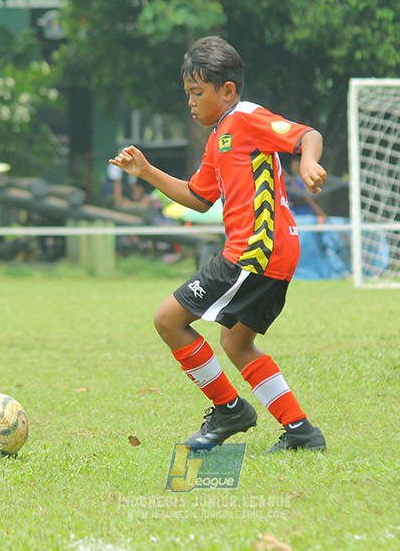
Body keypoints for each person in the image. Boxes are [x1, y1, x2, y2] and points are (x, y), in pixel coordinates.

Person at [110, 36, 327, 452]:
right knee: (236, 342)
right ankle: (301, 431)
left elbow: (306, 135)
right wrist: (148, 171)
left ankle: (229, 409)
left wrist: (309, 160)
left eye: (197, 93)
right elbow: (198, 196)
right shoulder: (219, 137)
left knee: (168, 320)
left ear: (227, 90)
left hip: (255, 251)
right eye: (188, 94)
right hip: (272, 251)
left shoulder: (245, 117)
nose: (190, 103)